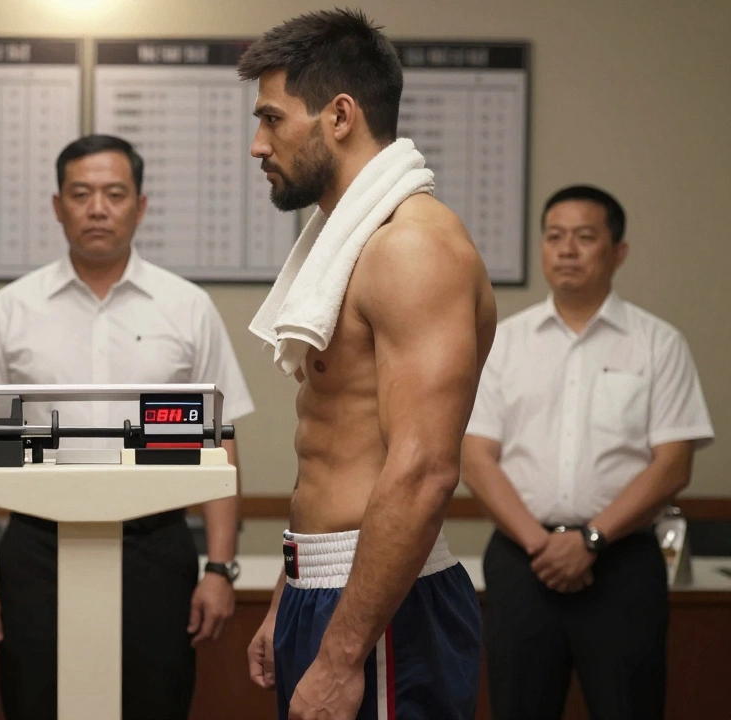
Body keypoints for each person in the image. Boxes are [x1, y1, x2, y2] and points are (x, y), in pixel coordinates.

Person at [238, 10, 497, 720]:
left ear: (340, 116)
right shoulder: (352, 248)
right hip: (331, 591)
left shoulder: (412, 250)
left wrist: (343, 652)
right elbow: (340, 448)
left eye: (271, 118)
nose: (257, 145)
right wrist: (290, 595)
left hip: (385, 616)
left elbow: (422, 470)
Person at [0, 134, 255, 720]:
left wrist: (219, 568)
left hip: (156, 548)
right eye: (81, 193)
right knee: (35, 705)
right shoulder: (12, 309)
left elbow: (218, 444)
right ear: (57, 205)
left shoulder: (186, 307)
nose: (97, 208)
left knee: (156, 705)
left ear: (139, 206)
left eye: (115, 194)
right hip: (37, 550)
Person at [462, 185, 714, 720]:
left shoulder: (658, 343)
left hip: (622, 565)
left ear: (617, 251)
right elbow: (475, 457)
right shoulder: (503, 343)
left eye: (584, 237)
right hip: (521, 563)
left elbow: (673, 464)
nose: (567, 250)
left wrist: (590, 540)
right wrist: (542, 545)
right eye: (554, 237)